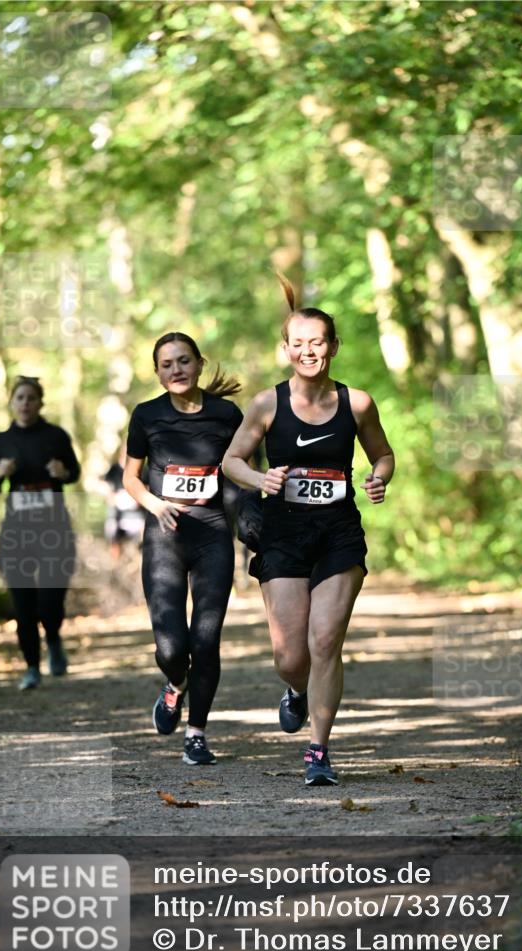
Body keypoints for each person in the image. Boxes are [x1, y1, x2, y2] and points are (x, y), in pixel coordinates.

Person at [222, 275, 395, 786]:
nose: (308, 351)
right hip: (282, 533)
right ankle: (295, 691)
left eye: (317, 342)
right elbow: (232, 460)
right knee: (291, 656)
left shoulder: (356, 403)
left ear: (333, 346)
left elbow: (382, 454)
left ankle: (318, 751)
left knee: (325, 641)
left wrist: (378, 478)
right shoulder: (266, 404)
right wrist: (262, 477)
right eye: (298, 344)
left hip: (339, 532)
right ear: (286, 349)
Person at [123, 332, 242, 766]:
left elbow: (244, 470)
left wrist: (250, 516)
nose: (176, 369)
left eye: (184, 361)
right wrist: (156, 505)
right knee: (172, 649)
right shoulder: (146, 415)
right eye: (167, 364)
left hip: (212, 535)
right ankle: (174, 685)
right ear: (157, 372)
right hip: (165, 537)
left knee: (206, 642)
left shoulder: (227, 414)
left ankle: (196, 733)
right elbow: (130, 478)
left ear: (199, 363)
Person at [0, 376, 81, 691]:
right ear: (11, 403)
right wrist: (0, 473)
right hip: (17, 534)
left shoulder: (55, 436)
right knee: (23, 605)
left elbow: (74, 473)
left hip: (54, 530)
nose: (25, 403)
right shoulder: (1, 441)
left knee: (50, 602)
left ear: (40, 403)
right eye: (20, 398)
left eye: (31, 398)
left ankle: (53, 638)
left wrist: (62, 473)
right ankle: (31, 668)